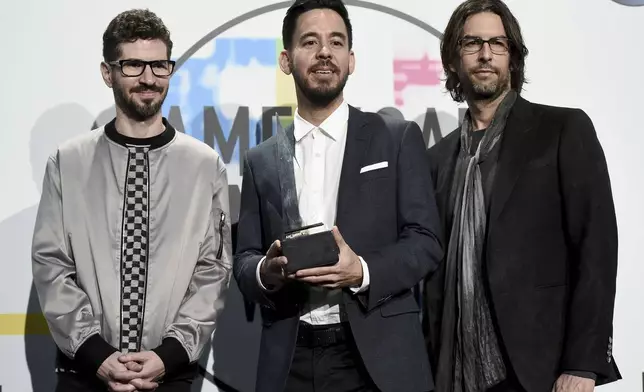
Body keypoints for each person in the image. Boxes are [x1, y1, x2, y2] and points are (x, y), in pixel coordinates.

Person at [233, 0, 444, 391]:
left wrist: (361, 271)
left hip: (377, 361)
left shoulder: (395, 138)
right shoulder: (260, 159)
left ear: (351, 59)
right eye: (310, 42)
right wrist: (267, 271)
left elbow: (426, 242)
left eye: (336, 42)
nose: (324, 52)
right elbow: (244, 258)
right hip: (289, 359)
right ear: (286, 59)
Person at [423, 1, 621, 391]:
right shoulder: (436, 159)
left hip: (538, 370)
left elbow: (596, 249)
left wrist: (582, 364)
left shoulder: (562, 129)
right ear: (452, 60)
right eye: (471, 43)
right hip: (451, 371)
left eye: (497, 43)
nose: (485, 54)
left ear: (512, 57)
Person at [31, 9, 232, 392]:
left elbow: (213, 272)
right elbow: (51, 266)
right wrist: (98, 356)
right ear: (108, 72)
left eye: (159, 66)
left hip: (169, 377)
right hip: (84, 374)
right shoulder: (67, 163)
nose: (148, 78)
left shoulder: (205, 166)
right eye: (134, 65)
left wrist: (167, 355)